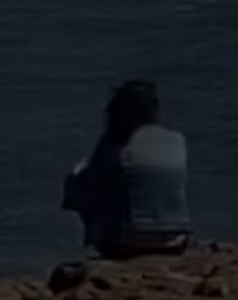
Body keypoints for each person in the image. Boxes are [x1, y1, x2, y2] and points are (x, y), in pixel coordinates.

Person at [61, 81, 191, 260]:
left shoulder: (115, 144)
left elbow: (91, 187)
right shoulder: (176, 140)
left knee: (79, 184)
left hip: (124, 244)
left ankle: (93, 239)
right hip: (176, 240)